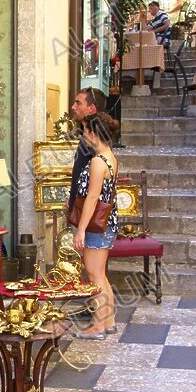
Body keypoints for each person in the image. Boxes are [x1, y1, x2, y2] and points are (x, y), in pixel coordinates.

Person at [72, 113, 120, 339]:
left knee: (94, 275)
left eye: (84, 131)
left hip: (96, 225)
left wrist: (81, 229)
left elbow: (92, 198)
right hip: (108, 223)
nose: (83, 135)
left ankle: (98, 325)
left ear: (93, 133)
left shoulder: (97, 162)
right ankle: (108, 321)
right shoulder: (110, 156)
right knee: (101, 274)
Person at [67, 86, 107, 216]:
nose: (73, 107)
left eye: (78, 103)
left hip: (90, 216)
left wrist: (82, 227)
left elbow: (95, 191)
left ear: (92, 108)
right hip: (81, 210)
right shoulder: (86, 135)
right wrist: (73, 199)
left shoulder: (96, 139)